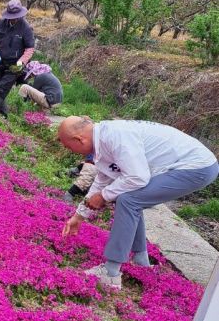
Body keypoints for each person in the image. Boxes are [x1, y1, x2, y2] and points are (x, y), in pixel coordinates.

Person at [59, 116, 219, 289]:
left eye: (68, 147)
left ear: (79, 140)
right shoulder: (102, 140)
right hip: (190, 165)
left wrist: (104, 196)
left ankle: (110, 273)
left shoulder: (115, 137)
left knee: (128, 199)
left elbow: (137, 177)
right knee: (128, 197)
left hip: (196, 167)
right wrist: (79, 216)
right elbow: (102, 180)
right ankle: (140, 260)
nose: (70, 151)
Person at [0, 0, 35, 117]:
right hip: (2, 60)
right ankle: (4, 114)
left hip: (15, 65)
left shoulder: (26, 28)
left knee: (2, 89)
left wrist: (21, 61)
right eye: (11, 16)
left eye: (15, 16)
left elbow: (30, 49)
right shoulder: (2, 23)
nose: (13, 18)